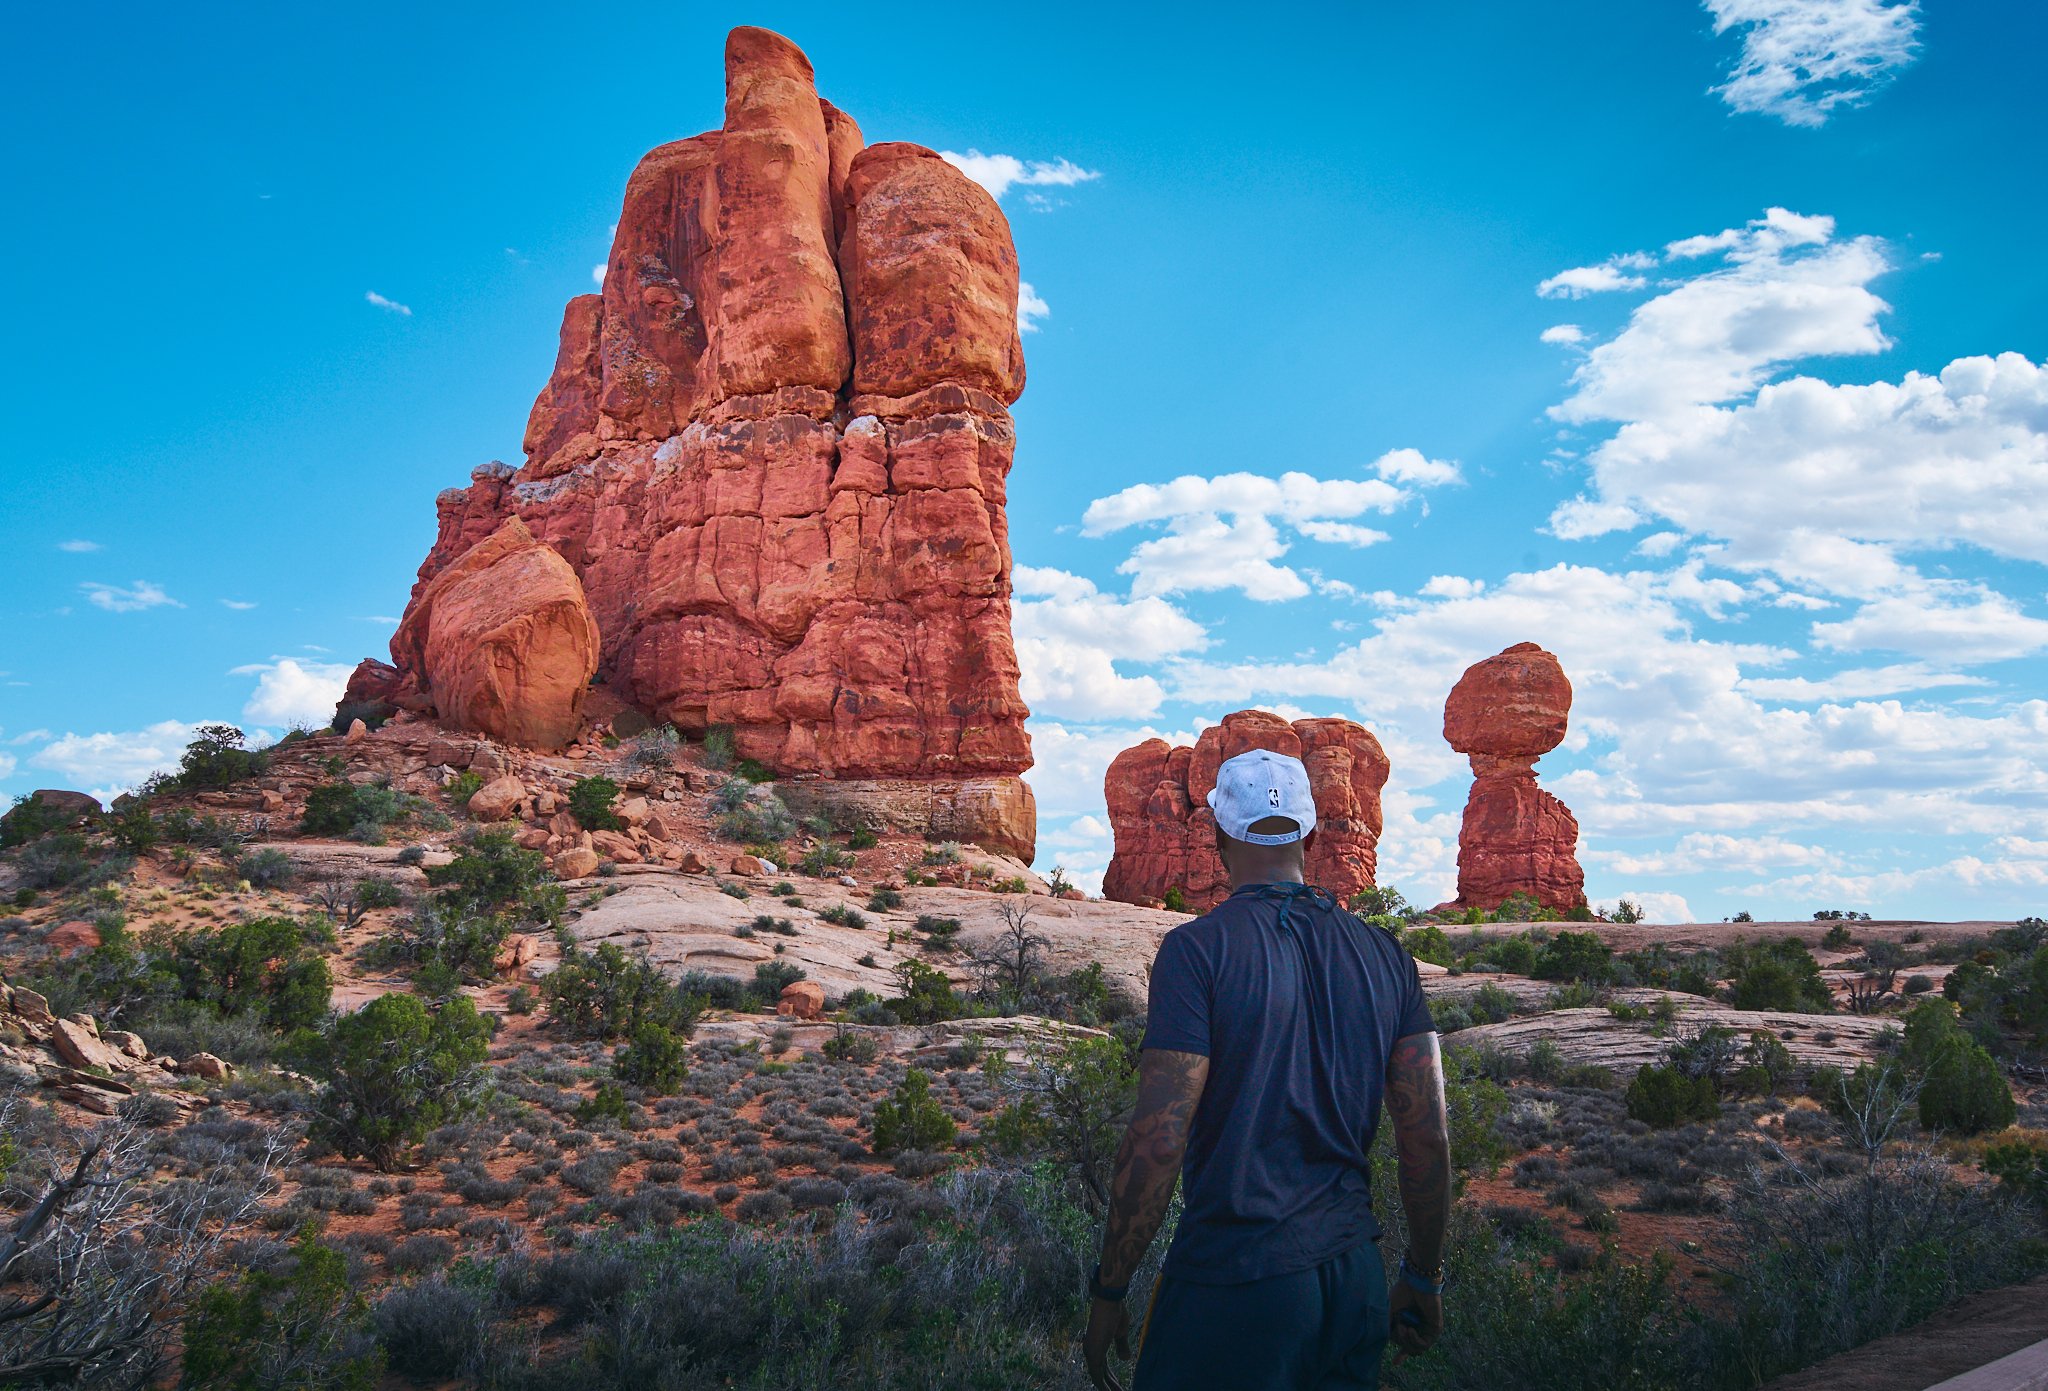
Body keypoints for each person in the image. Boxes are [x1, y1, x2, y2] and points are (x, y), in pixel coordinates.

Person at [1082, 747, 1452, 1391]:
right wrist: (1421, 1274)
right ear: (1309, 832)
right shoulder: (1386, 956)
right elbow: (1427, 1134)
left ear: (1217, 831)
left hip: (1235, 1284)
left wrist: (1111, 1287)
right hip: (1353, 1278)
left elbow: (1160, 1135)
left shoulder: (1196, 951)